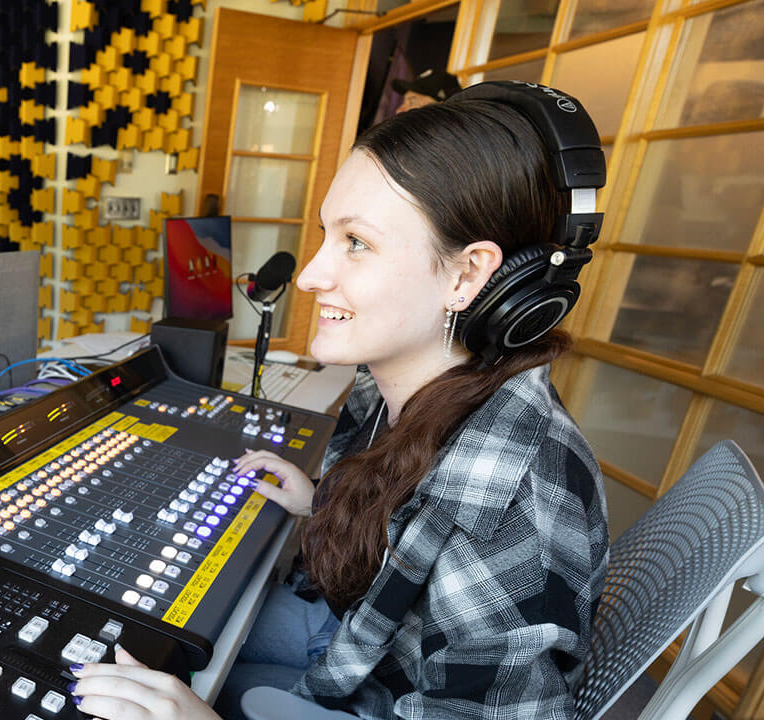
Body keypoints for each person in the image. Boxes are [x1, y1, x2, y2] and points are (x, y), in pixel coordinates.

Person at [68, 90, 609, 719]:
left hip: (387, 700)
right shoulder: (396, 385)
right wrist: (322, 500)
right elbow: (416, 533)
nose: (308, 276)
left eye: (356, 242)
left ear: (467, 276)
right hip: (359, 644)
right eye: (328, 234)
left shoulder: (516, 498)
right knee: (156, 644)